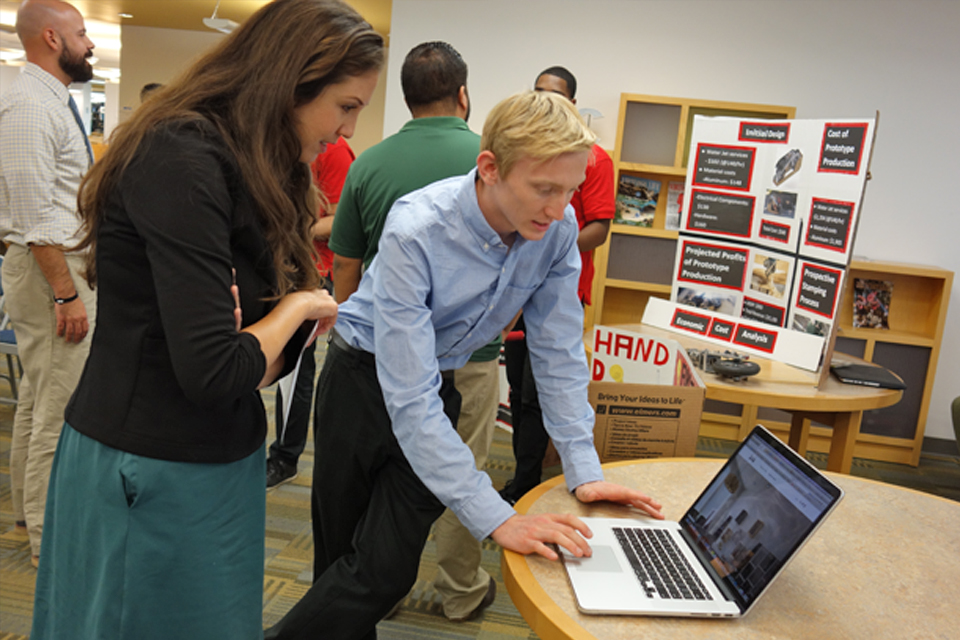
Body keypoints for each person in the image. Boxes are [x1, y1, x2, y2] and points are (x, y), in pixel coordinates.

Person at [28, 1, 382, 638]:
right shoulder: (182, 156)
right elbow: (218, 369)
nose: (347, 130)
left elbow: (265, 361)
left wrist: (265, 331)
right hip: (147, 463)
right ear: (290, 82)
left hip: (220, 458)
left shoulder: (260, 167)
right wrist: (297, 308)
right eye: (346, 105)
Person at [265, 90, 663, 640]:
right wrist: (498, 519)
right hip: (361, 380)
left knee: (384, 571)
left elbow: (558, 349)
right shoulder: (417, 228)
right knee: (339, 563)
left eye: (570, 190)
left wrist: (584, 467)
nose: (558, 208)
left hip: (438, 385)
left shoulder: (559, 228)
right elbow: (407, 395)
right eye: (544, 189)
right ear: (490, 168)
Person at [328, 40, 500, 622]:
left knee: (376, 487)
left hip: (377, 354)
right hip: (467, 355)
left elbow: (346, 265)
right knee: (458, 473)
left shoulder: (369, 162)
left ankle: (383, 592)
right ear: (463, 94)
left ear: (404, 99)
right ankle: (459, 590)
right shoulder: (492, 160)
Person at [0, 0, 97, 570]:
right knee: (58, 408)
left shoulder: (47, 100)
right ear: (52, 37)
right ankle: (48, 543)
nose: (89, 44)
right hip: (51, 274)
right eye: (83, 34)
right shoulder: (30, 107)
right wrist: (64, 292)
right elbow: (36, 217)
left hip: (51, 269)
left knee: (39, 399)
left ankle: (25, 514)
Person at [499, 65, 615, 506]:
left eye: (557, 97)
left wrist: (543, 249)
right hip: (516, 296)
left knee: (538, 396)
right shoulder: (519, 163)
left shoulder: (594, 161)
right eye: (539, 93)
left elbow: (599, 228)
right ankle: (520, 477)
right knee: (518, 394)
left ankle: (529, 485)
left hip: (557, 292)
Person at [266, 136, 356, 489]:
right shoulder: (279, 143)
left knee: (297, 369)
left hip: (317, 271)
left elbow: (342, 220)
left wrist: (295, 230)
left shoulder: (333, 151)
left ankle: (286, 457)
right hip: (282, 266)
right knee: (279, 365)